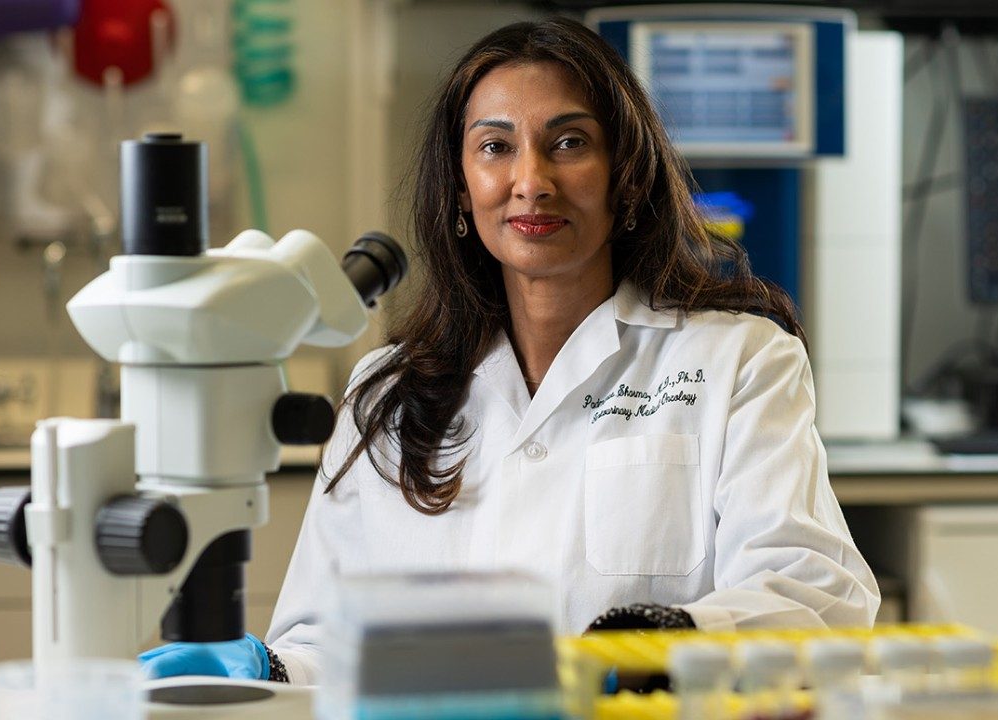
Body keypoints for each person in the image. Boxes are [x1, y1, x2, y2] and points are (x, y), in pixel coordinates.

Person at [140, 16, 879, 684]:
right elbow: (332, 644)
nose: (532, 181)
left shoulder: (740, 362)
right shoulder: (385, 393)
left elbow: (812, 592)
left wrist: (657, 645)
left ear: (623, 177)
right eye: (496, 146)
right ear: (463, 189)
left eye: (569, 143)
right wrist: (265, 666)